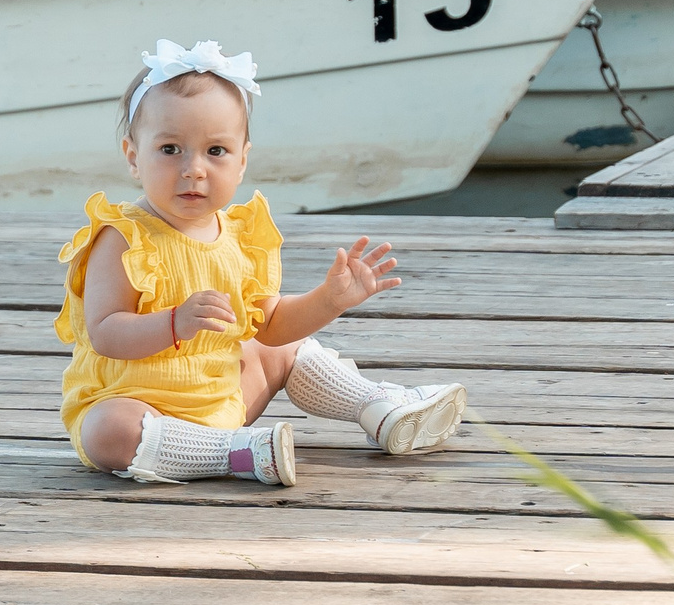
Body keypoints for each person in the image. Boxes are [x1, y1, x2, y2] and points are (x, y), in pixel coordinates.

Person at [59, 38, 467, 489]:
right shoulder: (122, 237)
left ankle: (377, 406)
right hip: (142, 405)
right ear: (134, 156)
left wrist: (328, 300)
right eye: (171, 149)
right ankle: (237, 453)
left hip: (223, 393)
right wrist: (174, 322)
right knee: (106, 432)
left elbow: (270, 323)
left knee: (280, 349)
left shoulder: (239, 234)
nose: (194, 169)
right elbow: (106, 332)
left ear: (242, 161)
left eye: (215, 151)